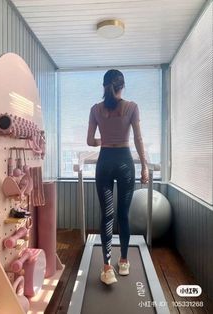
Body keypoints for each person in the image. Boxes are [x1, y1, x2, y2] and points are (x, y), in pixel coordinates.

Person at [87, 69, 149, 285]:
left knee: (107, 215)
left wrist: (103, 138)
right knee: (123, 214)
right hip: (124, 162)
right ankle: (123, 262)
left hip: (105, 162)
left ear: (104, 86)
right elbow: (139, 139)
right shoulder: (132, 107)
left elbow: (89, 141)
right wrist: (144, 167)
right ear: (122, 86)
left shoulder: (95, 109)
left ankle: (106, 268)